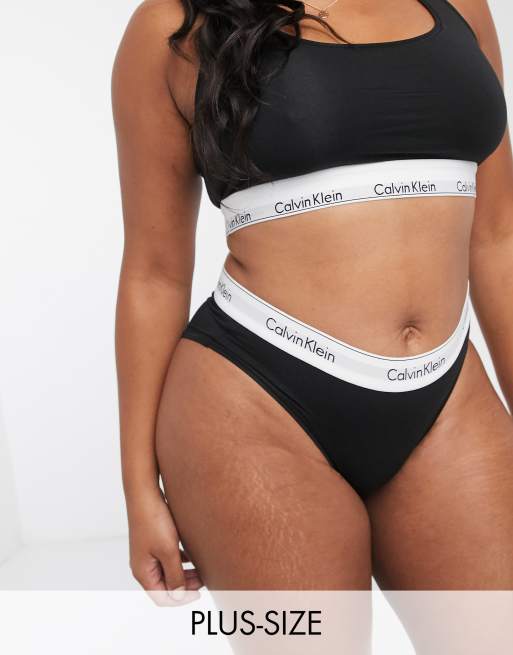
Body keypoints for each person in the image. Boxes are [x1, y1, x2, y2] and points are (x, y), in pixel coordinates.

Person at [111, 0, 513, 599]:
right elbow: (155, 273)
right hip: (255, 402)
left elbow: (499, 237)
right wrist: (139, 490)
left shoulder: (459, 7)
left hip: (446, 396)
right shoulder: (175, 26)